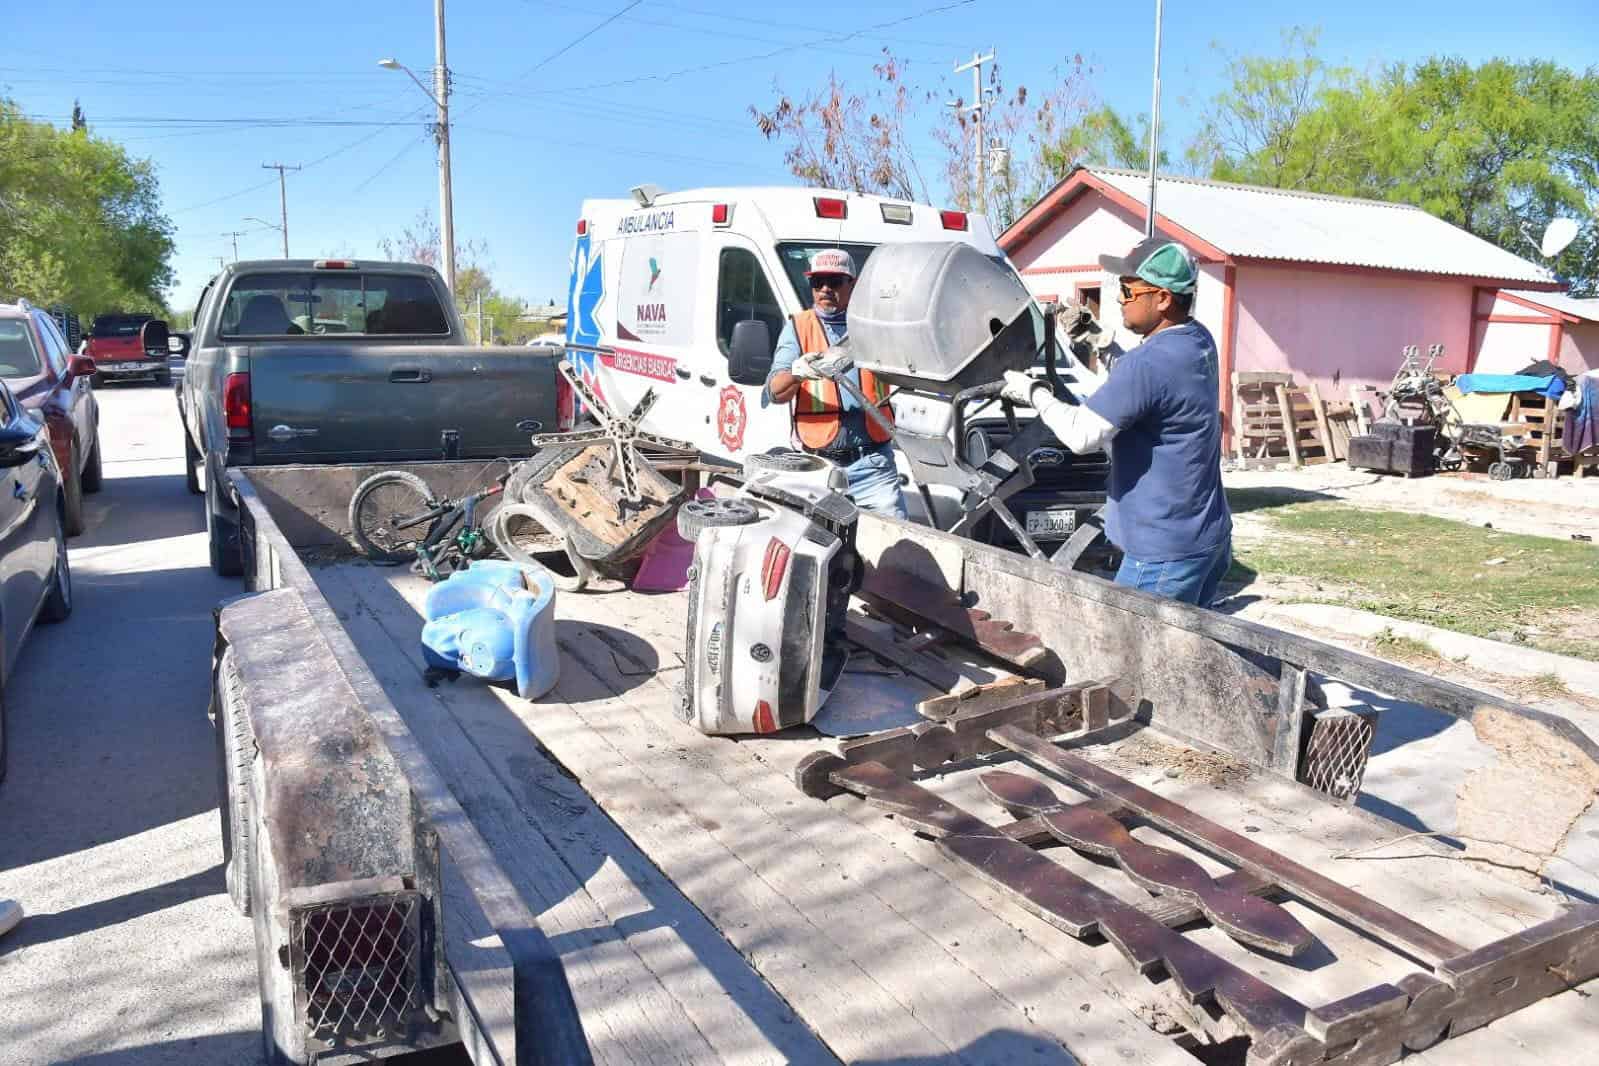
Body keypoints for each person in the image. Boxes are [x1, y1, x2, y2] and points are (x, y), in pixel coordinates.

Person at [1001, 236, 1233, 607]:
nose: (1119, 299)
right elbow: (1149, 388)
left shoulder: (1149, 363)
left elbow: (1081, 434)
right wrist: (1098, 340)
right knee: (1184, 641)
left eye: (1128, 290)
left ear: (1163, 298)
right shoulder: (1197, 339)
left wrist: (1034, 393)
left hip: (1161, 552)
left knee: (1127, 642)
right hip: (1207, 538)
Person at [764, 249, 907, 518]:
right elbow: (774, 392)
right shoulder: (798, 327)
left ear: (853, 284)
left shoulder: (875, 325)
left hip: (874, 465)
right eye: (818, 282)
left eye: (835, 281)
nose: (825, 289)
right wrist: (798, 372)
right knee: (816, 539)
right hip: (818, 467)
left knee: (895, 536)